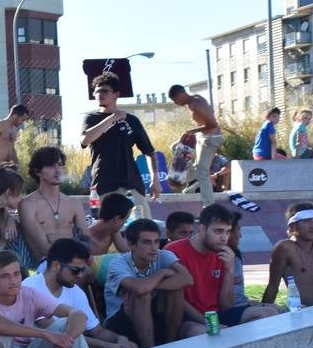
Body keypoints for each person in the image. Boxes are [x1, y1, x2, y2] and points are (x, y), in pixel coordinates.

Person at [25, 239, 137, 348]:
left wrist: (120, 339)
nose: (80, 276)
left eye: (83, 270)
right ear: (55, 266)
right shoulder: (31, 288)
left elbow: (97, 331)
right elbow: (56, 335)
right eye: (75, 270)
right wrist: (109, 346)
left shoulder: (75, 290)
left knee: (130, 346)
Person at [167, 204, 276, 328]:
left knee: (269, 313)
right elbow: (177, 301)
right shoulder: (174, 251)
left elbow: (227, 306)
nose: (224, 238)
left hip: (217, 315)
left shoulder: (223, 253)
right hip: (189, 319)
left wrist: (229, 270)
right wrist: (211, 324)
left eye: (227, 231)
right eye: (218, 231)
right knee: (198, 332)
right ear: (202, 230)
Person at [104, 219, 201, 348]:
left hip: (154, 315)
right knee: (141, 295)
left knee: (175, 289)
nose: (154, 248)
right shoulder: (118, 263)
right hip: (120, 322)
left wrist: (151, 287)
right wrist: (161, 274)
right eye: (146, 242)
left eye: (156, 241)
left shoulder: (164, 255)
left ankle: (170, 346)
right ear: (131, 244)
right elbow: (139, 289)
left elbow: (187, 279)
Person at [84, 72, 161, 217]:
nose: (99, 94)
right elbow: (85, 140)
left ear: (116, 94)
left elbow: (149, 152)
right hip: (102, 183)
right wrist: (112, 118)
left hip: (132, 183)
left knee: (143, 225)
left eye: (104, 91)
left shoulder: (131, 120)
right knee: (101, 225)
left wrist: (155, 180)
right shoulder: (91, 119)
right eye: (96, 91)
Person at [19, 146, 90, 266]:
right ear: (37, 171)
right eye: (51, 165)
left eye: (60, 164)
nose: (57, 170)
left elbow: (86, 238)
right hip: (46, 264)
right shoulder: (28, 204)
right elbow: (42, 246)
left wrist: (85, 260)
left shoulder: (74, 203)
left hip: (76, 261)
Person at [264, 202, 313, 308]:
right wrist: (265, 311)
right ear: (292, 226)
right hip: (306, 309)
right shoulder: (286, 248)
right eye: (306, 221)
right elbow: (273, 286)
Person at [168, 82, 224, 205]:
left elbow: (213, 124)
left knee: (202, 173)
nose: (175, 103)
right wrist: (194, 133)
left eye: (175, 99)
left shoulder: (196, 103)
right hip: (201, 135)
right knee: (175, 147)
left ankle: (209, 206)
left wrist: (191, 131)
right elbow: (203, 122)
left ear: (181, 94)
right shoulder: (191, 102)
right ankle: (194, 174)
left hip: (211, 139)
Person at [87, 192, 134, 257]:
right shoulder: (86, 240)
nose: (125, 223)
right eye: (125, 219)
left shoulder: (112, 231)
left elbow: (127, 252)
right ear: (117, 219)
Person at [0, 104, 30, 170]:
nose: (22, 122)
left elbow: (11, 147)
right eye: (22, 119)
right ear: (15, 116)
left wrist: (17, 164)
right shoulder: (0, 125)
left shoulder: (14, 129)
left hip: (7, 165)